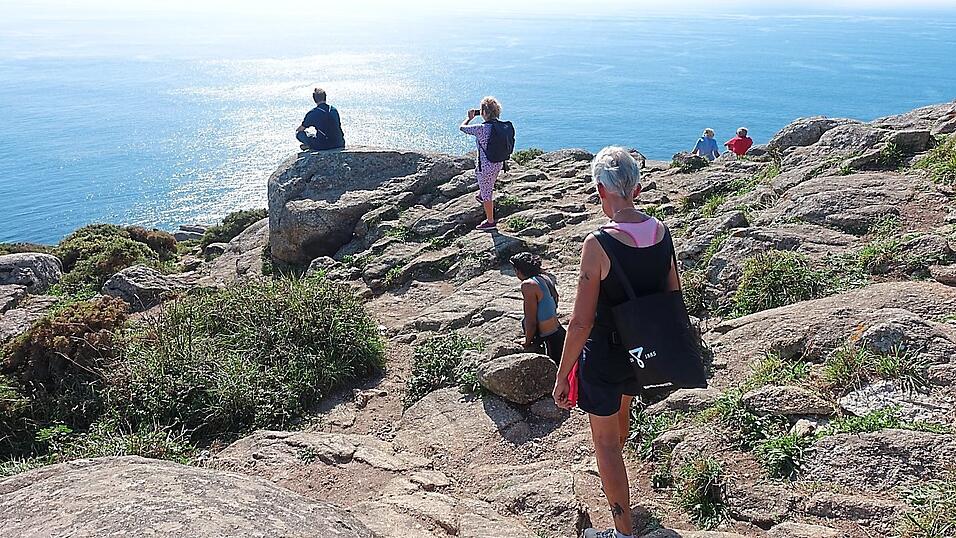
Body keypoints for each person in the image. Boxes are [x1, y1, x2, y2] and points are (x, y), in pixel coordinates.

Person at [552, 146, 680, 538]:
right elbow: (672, 295)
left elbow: (580, 321)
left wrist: (562, 374)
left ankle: (622, 532)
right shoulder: (661, 232)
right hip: (639, 352)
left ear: (600, 190)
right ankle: (618, 480)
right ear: (637, 190)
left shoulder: (598, 243)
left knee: (605, 447)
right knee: (619, 427)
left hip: (604, 357)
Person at [510, 252, 565, 365]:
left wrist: (527, 342)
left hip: (548, 339)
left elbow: (531, 321)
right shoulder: (544, 277)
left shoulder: (528, 285)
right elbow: (555, 299)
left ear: (518, 271)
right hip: (559, 332)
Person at [460, 96, 505, 230]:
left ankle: (490, 221)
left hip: (486, 165)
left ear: (484, 113)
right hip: (498, 163)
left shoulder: (481, 128)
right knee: (488, 183)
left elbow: (462, 128)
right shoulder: (501, 126)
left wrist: (469, 118)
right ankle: (482, 194)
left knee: (487, 194)